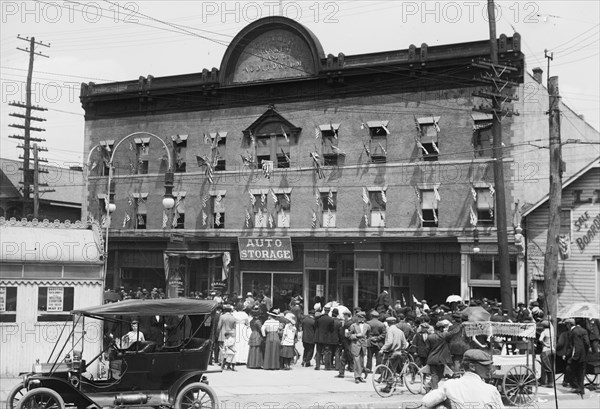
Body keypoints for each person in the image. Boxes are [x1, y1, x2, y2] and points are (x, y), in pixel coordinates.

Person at [422, 349, 504, 409]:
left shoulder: (450, 385)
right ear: (472, 366)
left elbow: (426, 402)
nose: (489, 369)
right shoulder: (491, 390)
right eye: (485, 366)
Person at [565, 318, 591, 396]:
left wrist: (574, 357)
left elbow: (576, 346)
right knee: (581, 373)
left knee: (569, 369)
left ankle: (576, 387)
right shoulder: (583, 330)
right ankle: (581, 389)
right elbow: (587, 343)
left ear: (569, 324)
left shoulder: (574, 332)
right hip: (583, 355)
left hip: (577, 355)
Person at [426, 321, 453, 390]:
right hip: (441, 359)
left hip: (432, 358)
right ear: (441, 328)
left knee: (435, 375)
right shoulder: (444, 336)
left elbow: (427, 349)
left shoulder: (430, 337)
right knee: (440, 375)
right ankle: (434, 390)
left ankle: (429, 385)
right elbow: (453, 333)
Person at [347, 311, 371, 384]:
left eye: (362, 317)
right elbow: (348, 335)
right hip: (355, 345)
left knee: (361, 362)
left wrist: (366, 342)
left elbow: (368, 335)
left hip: (363, 346)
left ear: (364, 318)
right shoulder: (353, 326)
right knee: (356, 361)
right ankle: (356, 377)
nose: (360, 319)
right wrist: (356, 336)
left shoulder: (367, 326)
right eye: (359, 317)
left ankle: (360, 376)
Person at [538, 320, 555, 387]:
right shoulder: (552, 331)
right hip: (552, 350)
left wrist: (545, 344)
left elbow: (540, 340)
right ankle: (546, 381)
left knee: (546, 367)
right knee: (550, 366)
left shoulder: (544, 332)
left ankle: (550, 382)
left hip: (545, 350)